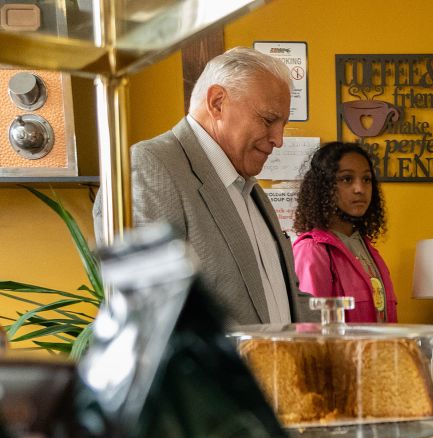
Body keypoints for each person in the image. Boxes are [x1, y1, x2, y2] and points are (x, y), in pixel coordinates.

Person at [97, 46, 308, 325]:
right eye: (269, 120)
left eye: (283, 125)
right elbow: (152, 317)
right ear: (217, 102)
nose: (278, 140)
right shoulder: (151, 166)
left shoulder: (249, 188)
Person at [291, 142, 396, 323]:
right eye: (347, 179)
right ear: (324, 187)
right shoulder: (313, 250)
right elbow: (311, 330)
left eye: (367, 179)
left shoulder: (365, 246)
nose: (360, 189)